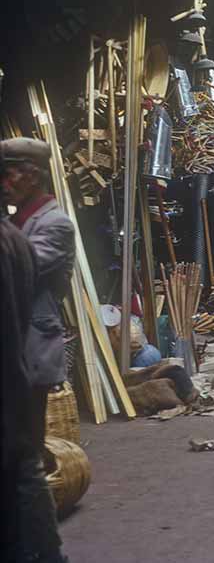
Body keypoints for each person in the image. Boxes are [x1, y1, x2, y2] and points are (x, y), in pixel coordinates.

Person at [0, 137, 70, 563]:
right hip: (18, 340)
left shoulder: (54, 223)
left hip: (32, 344)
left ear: (33, 175)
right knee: (22, 454)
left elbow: (25, 269)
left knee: (27, 451)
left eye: (12, 172)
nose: (6, 182)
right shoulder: (17, 222)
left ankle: (42, 547)